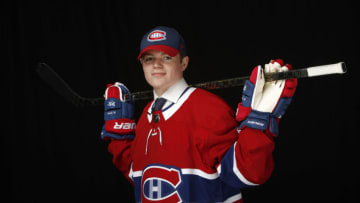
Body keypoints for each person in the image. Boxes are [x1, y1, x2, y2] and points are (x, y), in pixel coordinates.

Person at [101, 26, 297, 202]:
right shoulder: (146, 115)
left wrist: (258, 122)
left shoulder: (209, 109)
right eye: (149, 58)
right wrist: (119, 136)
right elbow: (141, 177)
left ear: (184, 63)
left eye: (166, 57)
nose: (156, 65)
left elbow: (247, 173)